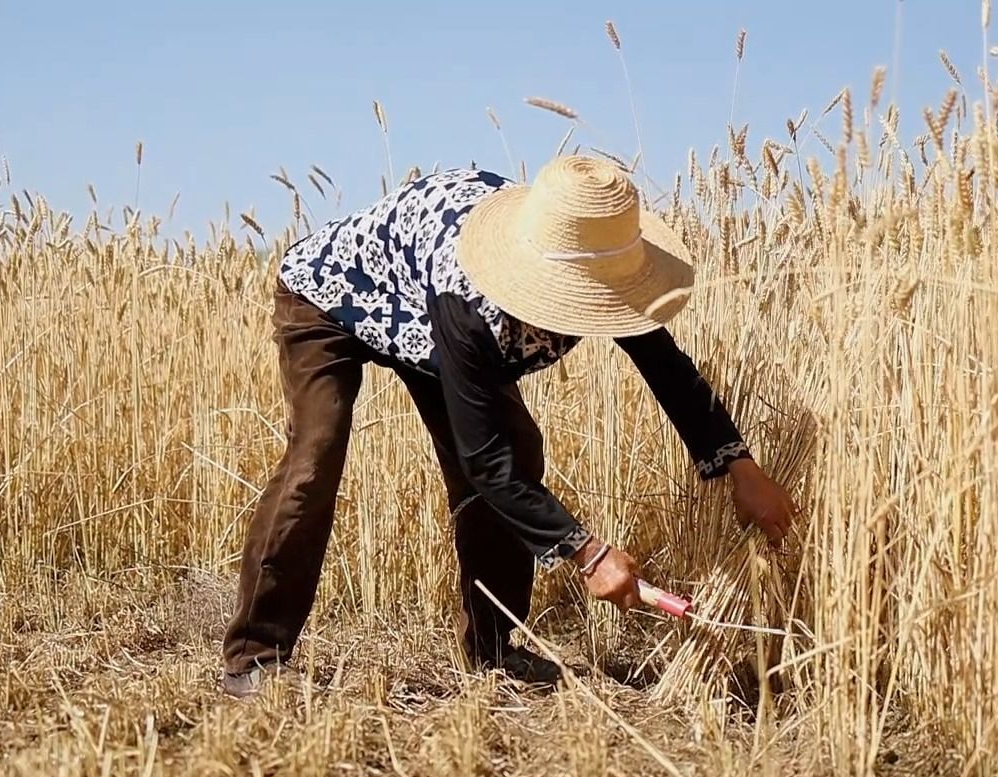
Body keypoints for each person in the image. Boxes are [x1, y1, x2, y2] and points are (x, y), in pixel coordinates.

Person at [220, 155, 796, 696]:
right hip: (331, 295)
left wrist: (737, 463)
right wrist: (589, 553)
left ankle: (493, 648)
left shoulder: (595, 256)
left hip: (418, 304)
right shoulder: (469, 299)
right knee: (315, 457)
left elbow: (666, 368)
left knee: (521, 444)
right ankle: (255, 654)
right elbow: (483, 461)